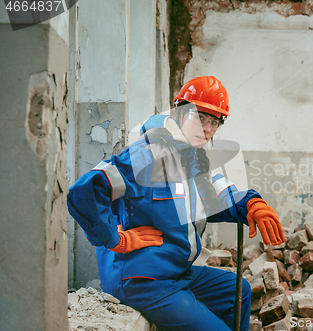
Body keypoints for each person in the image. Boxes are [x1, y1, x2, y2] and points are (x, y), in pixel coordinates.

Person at [67, 76, 286, 331]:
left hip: (175, 272)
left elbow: (212, 198)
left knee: (237, 291)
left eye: (214, 122)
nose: (206, 128)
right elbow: (83, 192)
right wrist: (115, 240)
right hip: (142, 278)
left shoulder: (190, 157)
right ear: (180, 112)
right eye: (199, 117)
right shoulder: (147, 155)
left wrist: (250, 204)